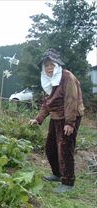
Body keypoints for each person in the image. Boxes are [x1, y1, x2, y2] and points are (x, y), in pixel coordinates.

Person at [29, 48, 84, 193]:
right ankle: (57, 174)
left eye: (51, 65)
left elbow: (71, 100)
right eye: (46, 65)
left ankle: (68, 182)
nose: (49, 68)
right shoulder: (48, 80)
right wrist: (38, 119)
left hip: (69, 116)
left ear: (57, 65)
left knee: (65, 149)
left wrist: (70, 123)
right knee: (50, 147)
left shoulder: (67, 77)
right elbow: (47, 103)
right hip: (56, 116)